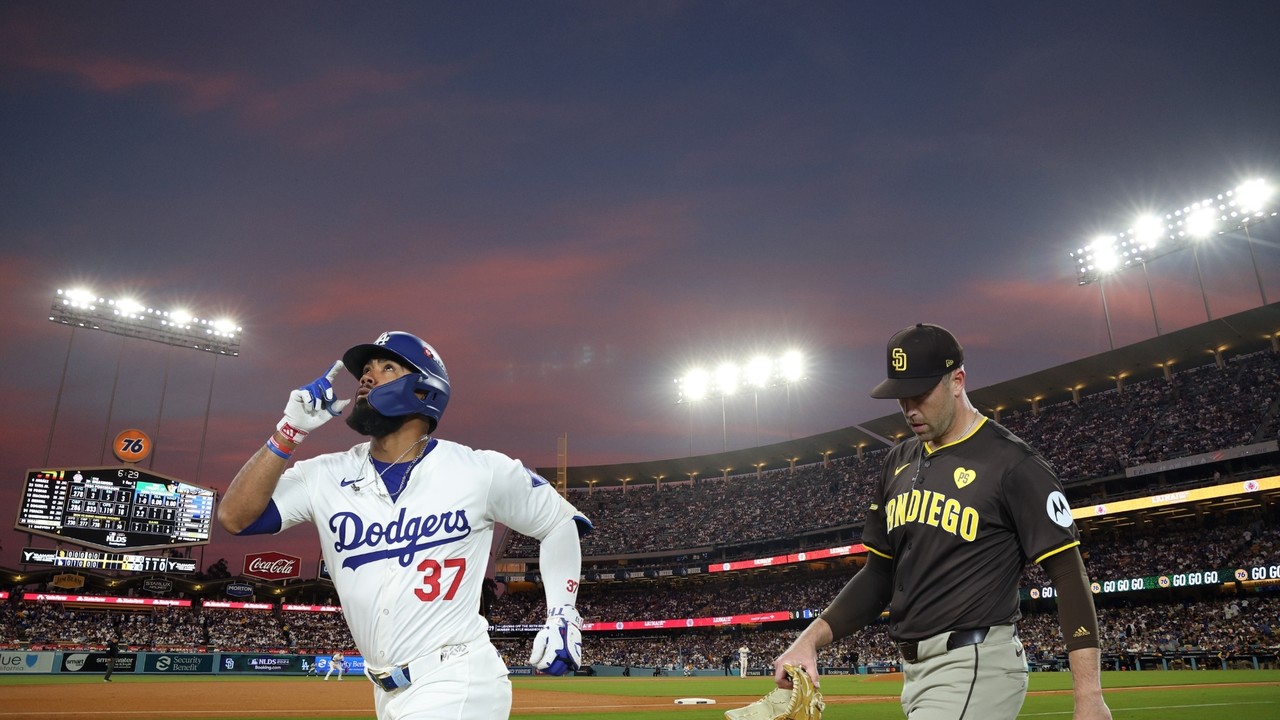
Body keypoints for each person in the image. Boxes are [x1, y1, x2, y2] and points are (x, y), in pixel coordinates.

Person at [217, 331, 591, 720]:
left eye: (386, 367)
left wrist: (563, 614)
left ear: (423, 389)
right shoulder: (324, 475)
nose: (366, 377)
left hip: (457, 676)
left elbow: (559, 522)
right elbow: (235, 518)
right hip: (387, 694)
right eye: (364, 369)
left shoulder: (480, 470)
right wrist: (288, 432)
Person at [773, 323, 1112, 720]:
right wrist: (809, 640)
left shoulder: (1014, 463)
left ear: (957, 380)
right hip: (916, 675)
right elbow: (879, 575)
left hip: (974, 664)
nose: (910, 409)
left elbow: (1069, 576)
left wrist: (1089, 694)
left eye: (921, 394)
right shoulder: (897, 461)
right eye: (902, 397)